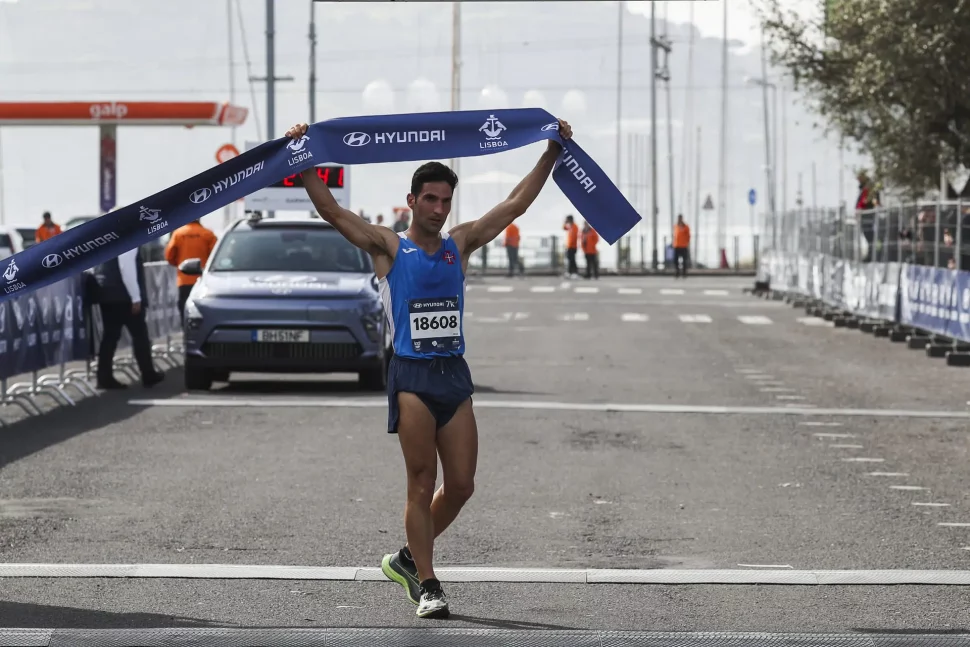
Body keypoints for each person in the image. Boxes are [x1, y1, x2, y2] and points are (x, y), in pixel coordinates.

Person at [284, 117, 573, 619]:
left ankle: (405, 558)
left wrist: (550, 151)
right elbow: (331, 210)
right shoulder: (389, 247)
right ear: (412, 199)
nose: (439, 210)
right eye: (431, 200)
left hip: (453, 376)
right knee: (420, 481)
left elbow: (515, 204)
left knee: (461, 485)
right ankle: (429, 582)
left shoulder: (460, 244)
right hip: (412, 377)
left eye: (446, 201)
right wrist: (302, 156)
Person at [92, 247, 165, 390]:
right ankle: (148, 374)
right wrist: (136, 297)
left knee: (110, 337)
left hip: (107, 293)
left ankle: (104, 378)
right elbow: (126, 268)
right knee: (140, 336)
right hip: (124, 296)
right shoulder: (127, 240)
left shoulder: (107, 239)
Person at [165, 220, 218, 321]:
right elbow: (216, 257)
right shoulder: (208, 234)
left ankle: (186, 332)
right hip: (204, 281)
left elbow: (169, 256)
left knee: (184, 309)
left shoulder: (178, 234)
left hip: (184, 280)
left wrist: (180, 265)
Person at [672, 214, 691, 278]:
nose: (679, 219)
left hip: (683, 246)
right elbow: (675, 235)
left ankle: (684, 273)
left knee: (684, 260)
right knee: (675, 260)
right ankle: (677, 272)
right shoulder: (676, 226)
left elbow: (688, 236)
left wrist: (687, 243)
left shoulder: (686, 226)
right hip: (677, 245)